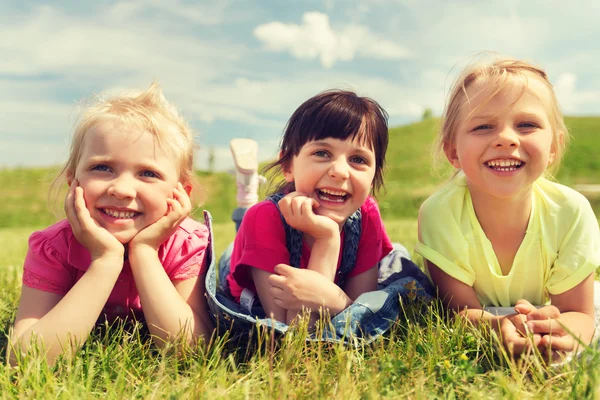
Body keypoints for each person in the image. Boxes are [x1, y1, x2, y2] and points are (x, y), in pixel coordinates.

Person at [8, 83, 214, 365]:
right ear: (73, 181)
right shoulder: (53, 247)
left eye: (148, 173)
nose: (122, 189)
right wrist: (105, 260)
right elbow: (24, 361)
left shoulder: (186, 244)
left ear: (180, 194)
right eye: (102, 168)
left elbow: (190, 353)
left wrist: (145, 252)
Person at [206, 90, 433, 342]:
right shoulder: (265, 219)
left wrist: (330, 297)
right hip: (250, 270)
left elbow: (359, 305)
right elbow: (293, 335)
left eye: (358, 159)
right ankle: (247, 197)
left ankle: (247, 194)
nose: (339, 171)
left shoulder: (366, 212)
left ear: (374, 175)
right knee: (244, 228)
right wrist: (327, 240)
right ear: (288, 166)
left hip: (297, 261)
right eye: (322, 153)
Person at [415, 57, 600, 362]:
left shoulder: (571, 212)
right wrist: (498, 327)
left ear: (554, 147)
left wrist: (556, 331)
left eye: (526, 124)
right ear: (452, 151)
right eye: (483, 126)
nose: (505, 139)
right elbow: (458, 312)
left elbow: (578, 313)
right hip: (487, 322)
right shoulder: (439, 214)